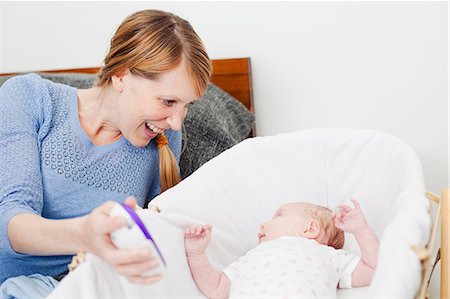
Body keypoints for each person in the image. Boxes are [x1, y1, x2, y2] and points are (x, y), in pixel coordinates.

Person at [0, 8, 211, 292]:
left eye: (188, 106)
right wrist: (84, 234)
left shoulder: (164, 138)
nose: (176, 122)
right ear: (121, 76)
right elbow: (10, 224)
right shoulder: (31, 99)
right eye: (168, 102)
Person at [184, 199, 379, 298]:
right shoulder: (252, 257)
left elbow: (374, 268)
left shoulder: (328, 255)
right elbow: (216, 288)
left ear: (310, 229)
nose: (263, 224)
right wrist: (196, 253)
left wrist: (361, 230)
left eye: (278, 215)